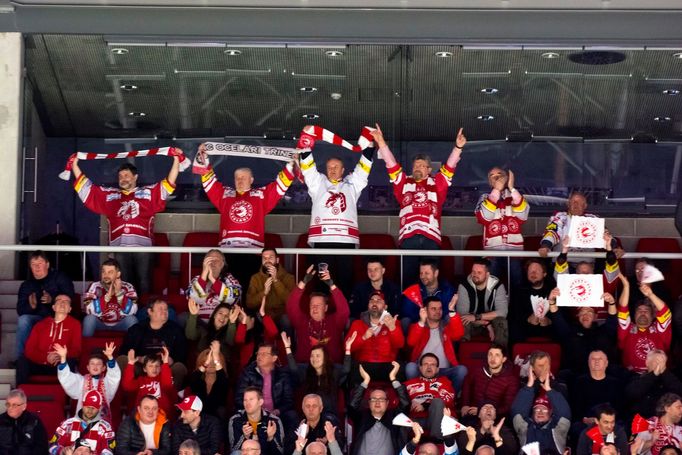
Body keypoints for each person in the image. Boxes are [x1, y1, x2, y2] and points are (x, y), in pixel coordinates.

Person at [71, 154, 181, 295]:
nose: (123, 179)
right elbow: (86, 188)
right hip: (120, 248)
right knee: (123, 284)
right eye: (120, 176)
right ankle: (126, 313)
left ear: (135, 177)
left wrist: (176, 159)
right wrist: (74, 165)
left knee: (144, 283)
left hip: (144, 249)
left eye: (126, 175)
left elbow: (169, 182)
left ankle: (143, 315)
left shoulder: (148, 193)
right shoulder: (110, 195)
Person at [371, 125, 466, 285]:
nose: (418, 168)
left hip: (431, 238)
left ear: (429, 169)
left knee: (430, 280)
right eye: (415, 165)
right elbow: (391, 164)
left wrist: (457, 148)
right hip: (409, 237)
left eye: (422, 165)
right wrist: (381, 143)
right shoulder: (403, 182)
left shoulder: (437, 183)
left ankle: (430, 307)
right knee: (408, 280)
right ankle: (409, 309)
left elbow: (450, 167)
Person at [299, 126, 374, 296]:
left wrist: (370, 145)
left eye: (336, 167)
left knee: (344, 282)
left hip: (345, 241)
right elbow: (308, 169)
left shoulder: (352, 184)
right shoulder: (318, 183)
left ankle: (344, 315)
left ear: (343, 170)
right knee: (322, 284)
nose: (332, 170)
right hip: (322, 239)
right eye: (329, 167)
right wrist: (306, 142)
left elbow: (363, 170)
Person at [197, 145, 295, 249]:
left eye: (243, 178)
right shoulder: (225, 194)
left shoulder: (261, 195)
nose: (239, 181)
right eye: (237, 178)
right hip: (227, 248)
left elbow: (279, 186)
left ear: (251, 180)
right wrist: (204, 157)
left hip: (253, 250)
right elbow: (208, 181)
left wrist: (290, 165)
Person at [547, 283, 618, 376]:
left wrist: (612, 303)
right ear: (578, 316)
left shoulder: (604, 331)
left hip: (603, 376)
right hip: (575, 376)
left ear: (596, 317)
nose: (585, 315)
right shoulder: (570, 331)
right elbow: (557, 319)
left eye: (589, 312)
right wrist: (552, 301)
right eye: (582, 312)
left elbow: (612, 319)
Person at [474, 166, 530, 286]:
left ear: (507, 178)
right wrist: (496, 192)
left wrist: (512, 188)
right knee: (491, 287)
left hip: (514, 252)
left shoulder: (515, 196)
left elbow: (523, 216)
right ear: (489, 182)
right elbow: (484, 217)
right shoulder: (484, 198)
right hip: (492, 253)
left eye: (500, 174)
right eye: (492, 176)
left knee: (518, 286)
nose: (497, 177)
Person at [16, 250, 74, 359]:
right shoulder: (26, 285)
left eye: (40, 264)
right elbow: (20, 310)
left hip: (56, 316)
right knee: (23, 320)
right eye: (33, 264)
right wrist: (31, 307)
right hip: (37, 318)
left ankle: (67, 359)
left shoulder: (59, 277)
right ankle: (21, 359)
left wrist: (53, 300)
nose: (37, 267)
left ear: (47, 264)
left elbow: (70, 297)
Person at [286, 265, 350, 364]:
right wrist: (303, 282)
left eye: (318, 305)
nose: (314, 307)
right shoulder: (301, 320)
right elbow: (291, 306)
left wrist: (332, 285)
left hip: (332, 367)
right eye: (312, 305)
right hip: (305, 367)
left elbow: (344, 310)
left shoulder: (335, 321)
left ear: (326, 308)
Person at [119, 298, 187, 387]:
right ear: (150, 311)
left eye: (166, 309)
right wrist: (139, 359)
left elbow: (182, 353)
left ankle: (172, 396)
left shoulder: (175, 329)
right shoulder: (137, 329)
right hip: (142, 367)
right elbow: (124, 351)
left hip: (164, 367)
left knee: (179, 367)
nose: (164, 311)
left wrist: (171, 360)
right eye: (160, 309)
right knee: (122, 360)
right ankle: (127, 394)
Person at [405, 296, 467, 393]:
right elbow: (411, 342)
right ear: (425, 310)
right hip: (423, 371)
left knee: (461, 370)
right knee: (410, 367)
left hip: (443, 371)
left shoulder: (446, 327)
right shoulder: (418, 326)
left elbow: (458, 335)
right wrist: (421, 321)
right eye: (433, 309)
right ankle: (415, 399)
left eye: (440, 308)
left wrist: (451, 311)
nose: (438, 311)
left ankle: (450, 399)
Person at [17, 293, 81, 386]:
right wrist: (45, 358)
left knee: (70, 362)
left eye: (66, 302)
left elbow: (76, 350)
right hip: (40, 363)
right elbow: (29, 350)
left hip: (60, 364)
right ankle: (21, 394)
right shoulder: (40, 325)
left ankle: (66, 399)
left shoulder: (75, 325)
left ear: (70, 309)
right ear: (54, 307)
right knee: (22, 361)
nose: (62, 303)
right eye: (59, 301)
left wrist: (61, 356)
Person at [348, 362, 410, 455]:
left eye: (381, 399)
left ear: (387, 403)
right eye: (373, 399)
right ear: (368, 403)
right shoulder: (361, 417)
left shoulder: (394, 417)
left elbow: (405, 403)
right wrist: (365, 381)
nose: (377, 402)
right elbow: (352, 405)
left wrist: (393, 379)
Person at [282, 333, 351, 417]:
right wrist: (287, 347)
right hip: (310, 416)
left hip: (329, 415)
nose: (314, 359)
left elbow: (346, 369)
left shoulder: (333, 371)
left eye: (318, 356)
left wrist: (348, 348)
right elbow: (293, 368)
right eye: (312, 356)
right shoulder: (306, 371)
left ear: (325, 358)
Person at [345, 290, 404, 384]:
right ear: (368, 305)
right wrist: (363, 337)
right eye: (371, 300)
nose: (374, 303)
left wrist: (392, 328)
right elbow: (347, 348)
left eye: (379, 301)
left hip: (387, 364)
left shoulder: (393, 322)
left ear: (385, 307)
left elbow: (400, 345)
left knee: (399, 369)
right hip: (364, 364)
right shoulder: (358, 324)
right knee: (354, 369)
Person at [617, 274, 672, 373]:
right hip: (631, 377)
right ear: (634, 315)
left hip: (657, 375)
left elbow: (665, 313)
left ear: (653, 316)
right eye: (639, 310)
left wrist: (650, 295)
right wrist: (626, 287)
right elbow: (622, 309)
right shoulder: (628, 328)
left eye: (646, 310)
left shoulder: (658, 330)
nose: (642, 312)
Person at [235, 343, 296, 431]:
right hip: (253, 412)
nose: (259, 356)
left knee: (291, 416)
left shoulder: (282, 375)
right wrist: (255, 410)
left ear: (274, 358)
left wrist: (277, 411)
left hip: (275, 413)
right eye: (258, 354)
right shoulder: (247, 373)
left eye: (264, 354)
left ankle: (292, 444)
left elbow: (288, 400)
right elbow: (239, 398)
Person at [56, 342, 120, 422]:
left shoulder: (107, 382)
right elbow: (66, 377)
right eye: (92, 364)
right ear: (88, 367)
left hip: (102, 423)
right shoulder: (81, 381)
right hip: (82, 421)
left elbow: (114, 376)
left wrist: (110, 358)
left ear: (104, 368)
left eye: (98, 364)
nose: (95, 366)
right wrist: (63, 358)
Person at [511, 370, 571, 454]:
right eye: (537, 409)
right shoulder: (525, 428)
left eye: (544, 409)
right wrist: (529, 386)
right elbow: (518, 413)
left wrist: (549, 390)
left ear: (550, 412)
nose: (540, 412)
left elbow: (564, 414)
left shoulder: (558, 429)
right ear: (532, 413)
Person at [570, 351, 625, 442]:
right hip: (587, 423)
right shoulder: (579, 382)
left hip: (610, 421)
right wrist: (585, 419)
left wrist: (607, 421)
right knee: (576, 429)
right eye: (593, 359)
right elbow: (575, 408)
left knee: (621, 428)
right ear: (588, 363)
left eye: (600, 359)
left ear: (606, 363)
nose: (596, 361)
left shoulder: (616, 383)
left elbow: (621, 408)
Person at [456, 258, 509, 347]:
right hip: (474, 325)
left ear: (487, 274)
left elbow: (503, 312)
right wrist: (486, 324)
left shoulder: (498, 285)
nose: (475, 275)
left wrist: (477, 317)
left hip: (491, 322)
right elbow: (463, 315)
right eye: (473, 272)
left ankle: (499, 354)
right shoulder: (464, 286)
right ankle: (464, 354)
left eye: (479, 272)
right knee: (463, 321)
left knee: (501, 321)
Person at [460, 344, 519, 422]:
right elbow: (466, 386)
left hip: (494, 417)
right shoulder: (478, 371)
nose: (492, 358)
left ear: (503, 359)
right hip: (472, 413)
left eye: (497, 355)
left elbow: (508, 406)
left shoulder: (511, 379)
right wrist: (465, 404)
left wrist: (483, 411)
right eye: (490, 355)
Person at [403, 353, 457, 439]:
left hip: (441, 419)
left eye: (432, 365)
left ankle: (436, 441)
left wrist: (425, 406)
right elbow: (402, 401)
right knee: (401, 423)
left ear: (437, 369)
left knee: (438, 402)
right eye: (425, 364)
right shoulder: (408, 384)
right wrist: (409, 404)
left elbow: (447, 400)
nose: (429, 367)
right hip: (417, 419)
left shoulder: (445, 382)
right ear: (420, 368)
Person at [82, 258, 138, 337]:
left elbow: (133, 311)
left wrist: (119, 294)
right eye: (103, 272)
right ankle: (85, 347)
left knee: (132, 320)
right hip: (100, 323)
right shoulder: (94, 286)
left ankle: (133, 348)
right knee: (89, 319)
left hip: (121, 323)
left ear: (118, 274)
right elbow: (88, 310)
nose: (106, 275)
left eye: (110, 272)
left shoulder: (128, 287)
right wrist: (106, 298)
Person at [49, 390, 115, 455]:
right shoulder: (67, 424)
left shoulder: (106, 428)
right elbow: (51, 447)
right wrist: (62, 451)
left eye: (93, 408)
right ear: (82, 405)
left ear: (99, 408)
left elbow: (109, 451)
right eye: (87, 407)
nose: (90, 411)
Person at [186, 249, 242, 322]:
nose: (212, 263)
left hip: (223, 323)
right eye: (209, 260)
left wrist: (212, 279)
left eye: (216, 260)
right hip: (199, 323)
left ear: (222, 265)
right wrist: (203, 277)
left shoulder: (230, 279)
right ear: (204, 263)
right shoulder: (197, 279)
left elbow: (232, 297)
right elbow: (194, 298)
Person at [625, 349, 682, 419]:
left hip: (664, 422)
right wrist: (653, 374)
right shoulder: (637, 378)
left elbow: (679, 391)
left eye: (662, 362)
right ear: (647, 363)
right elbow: (632, 393)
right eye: (656, 362)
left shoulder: (670, 379)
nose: (660, 365)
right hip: (641, 421)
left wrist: (664, 372)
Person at [121, 348, 176, 419]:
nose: (154, 369)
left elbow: (168, 385)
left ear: (161, 368)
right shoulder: (140, 380)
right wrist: (130, 364)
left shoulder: (163, 379)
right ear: (144, 369)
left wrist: (165, 362)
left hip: (161, 417)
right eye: (150, 366)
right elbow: (127, 386)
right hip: (142, 418)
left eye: (157, 366)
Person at [537, 191, 595, 258]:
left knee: (584, 268)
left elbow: (605, 235)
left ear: (585, 206)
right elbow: (552, 232)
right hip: (561, 260)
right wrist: (545, 246)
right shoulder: (559, 217)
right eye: (573, 202)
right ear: (568, 204)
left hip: (586, 263)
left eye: (579, 202)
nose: (576, 204)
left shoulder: (593, 219)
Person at [228, 386, 285, 455]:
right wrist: (245, 437)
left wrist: (270, 438)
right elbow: (234, 450)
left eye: (251, 399)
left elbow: (280, 452)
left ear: (260, 402)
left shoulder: (274, 420)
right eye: (245, 400)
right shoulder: (236, 420)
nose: (247, 403)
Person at [510, 259, 555, 344]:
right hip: (525, 328)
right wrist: (528, 319)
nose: (533, 273)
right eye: (530, 271)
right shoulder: (519, 290)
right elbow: (514, 314)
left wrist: (549, 321)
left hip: (548, 328)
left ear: (544, 274)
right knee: (514, 327)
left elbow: (560, 314)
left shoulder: (552, 291)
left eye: (537, 271)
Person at [245, 248, 295, 324]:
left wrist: (276, 281)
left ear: (277, 260)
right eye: (264, 258)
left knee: (286, 320)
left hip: (282, 315)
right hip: (263, 314)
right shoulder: (255, 278)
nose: (267, 261)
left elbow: (291, 302)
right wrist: (264, 293)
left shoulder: (289, 277)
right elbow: (249, 303)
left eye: (271, 258)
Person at [402, 258, 457, 325]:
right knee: (405, 321)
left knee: (449, 318)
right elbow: (407, 313)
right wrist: (424, 318)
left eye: (426, 273)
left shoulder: (447, 289)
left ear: (436, 273)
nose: (423, 276)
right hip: (420, 324)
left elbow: (446, 312)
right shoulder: (413, 289)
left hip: (439, 325)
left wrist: (433, 319)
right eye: (421, 273)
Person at [187, 342, 229, 420]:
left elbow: (223, 381)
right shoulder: (198, 381)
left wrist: (216, 359)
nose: (211, 364)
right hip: (198, 418)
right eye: (208, 361)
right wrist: (205, 363)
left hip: (217, 420)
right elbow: (192, 380)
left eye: (214, 362)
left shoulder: (222, 380)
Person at [0, 388, 48, 455]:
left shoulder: (34, 421)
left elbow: (42, 448)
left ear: (24, 406)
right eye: (8, 404)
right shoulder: (0, 421)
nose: (10, 408)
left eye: (14, 405)